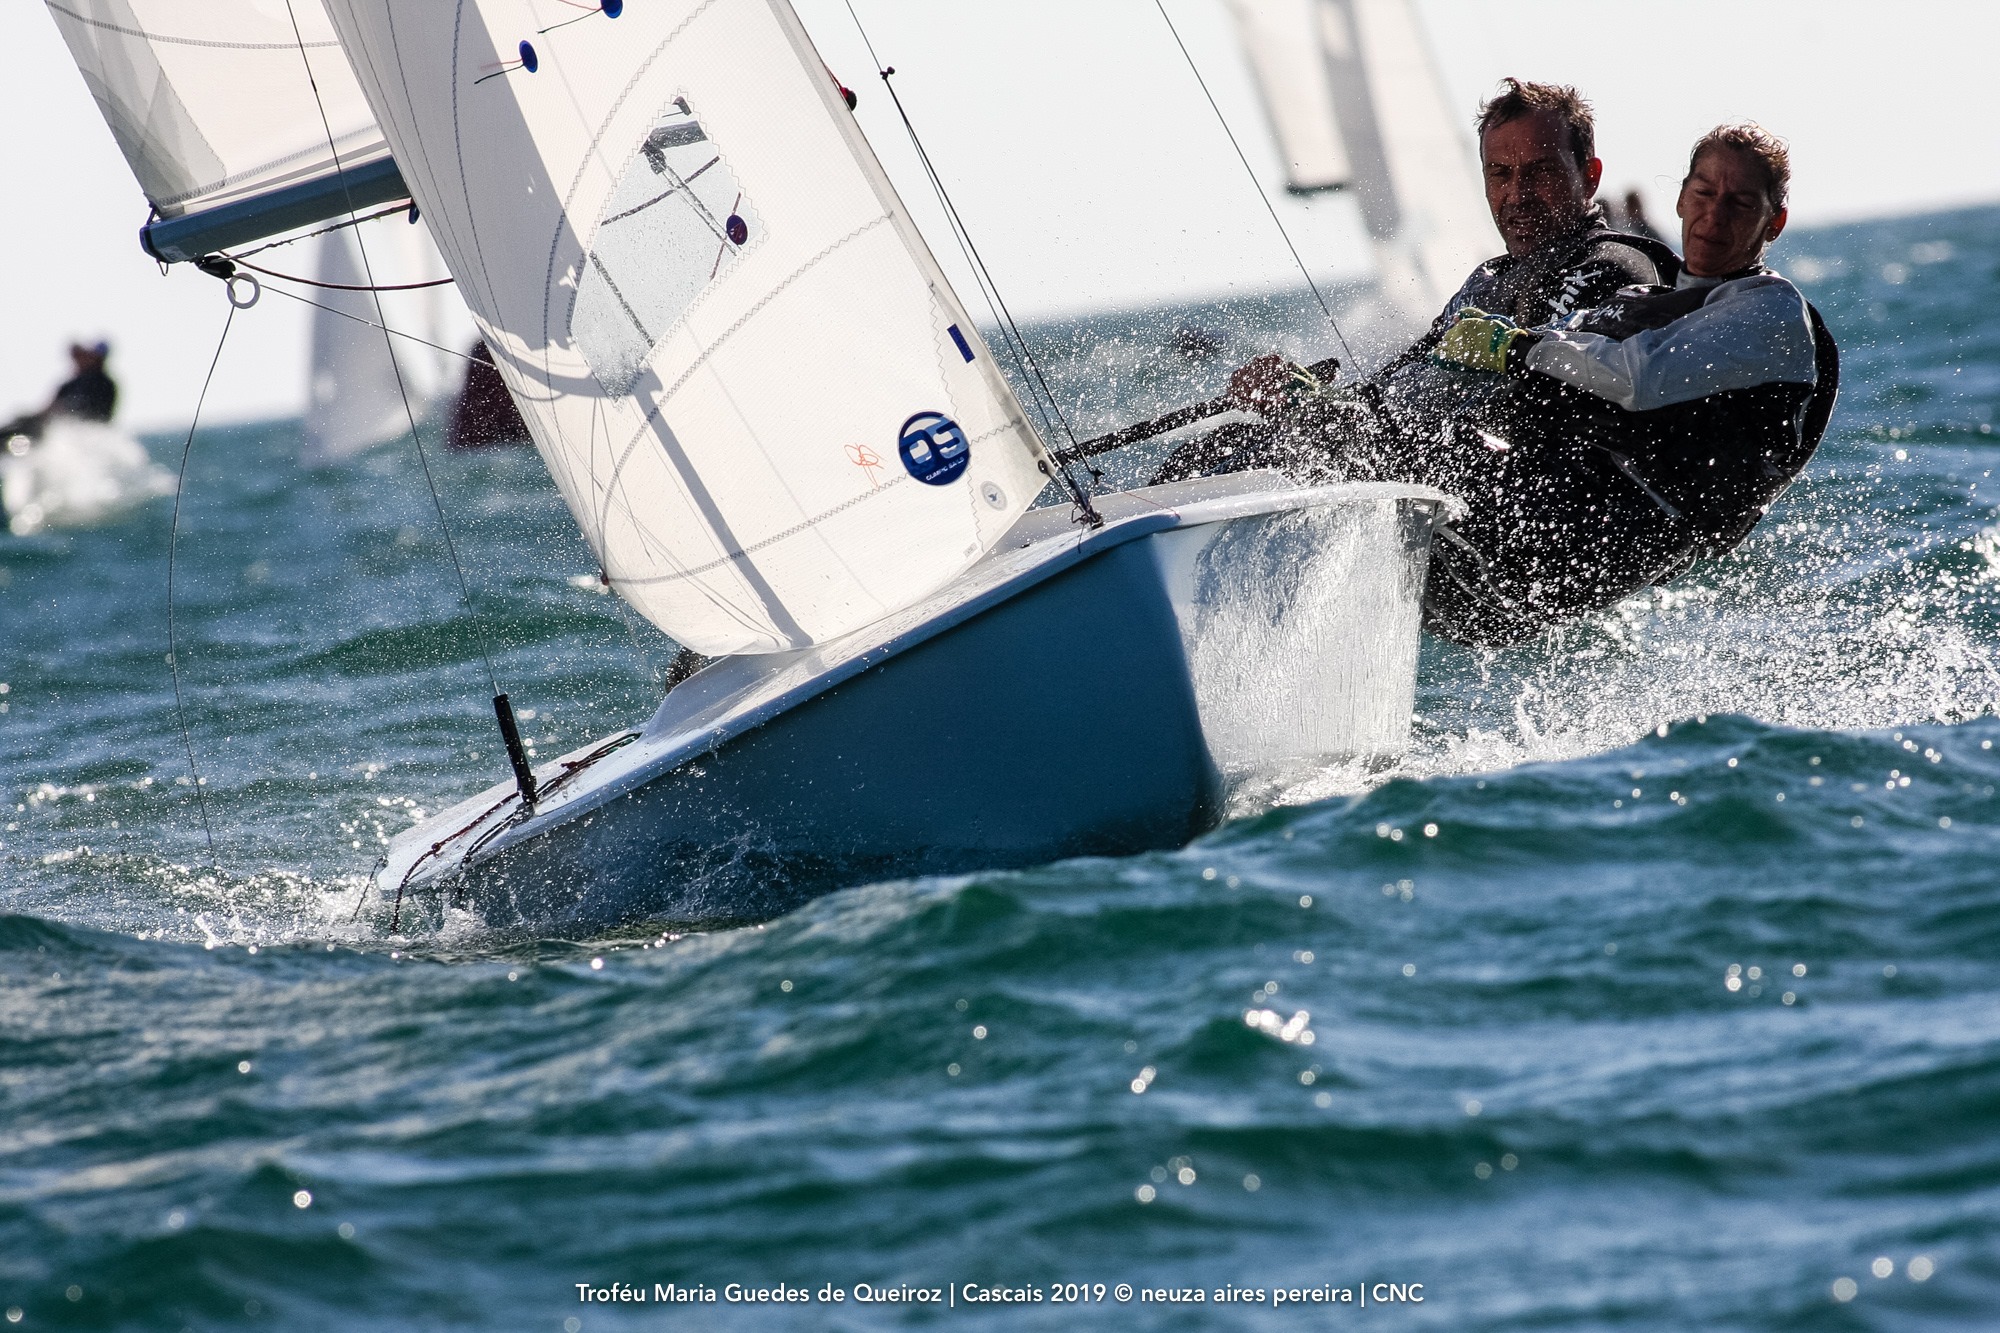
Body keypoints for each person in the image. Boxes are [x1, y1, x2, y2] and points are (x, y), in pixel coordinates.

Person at [1165, 123, 1838, 647]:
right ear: (1680, 196)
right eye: (1702, 194)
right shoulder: (1669, 298)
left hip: (1571, 543)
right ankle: (1155, 583)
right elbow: (1411, 390)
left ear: (1772, 222)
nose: (1713, 216)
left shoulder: (1769, 313)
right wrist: (1307, 399)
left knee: (1357, 448)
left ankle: (1150, 594)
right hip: (1515, 536)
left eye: (1739, 203)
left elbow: (1635, 377)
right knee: (1280, 440)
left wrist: (1512, 346)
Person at [1164, 77, 1676, 454]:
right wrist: (1303, 397)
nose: (1516, 194)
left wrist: (1332, 423)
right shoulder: (1489, 280)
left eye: (1539, 172)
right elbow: (1401, 389)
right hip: (1439, 474)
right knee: (1225, 444)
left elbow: (1526, 398)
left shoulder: (1612, 267)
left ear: (1589, 176)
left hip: (1514, 511)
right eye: (1499, 174)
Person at [2, 341, 118, 442]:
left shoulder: (101, 383)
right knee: (20, 422)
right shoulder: (70, 384)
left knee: (26, 426)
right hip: (53, 427)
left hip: (78, 432)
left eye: (86, 356)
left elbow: (86, 410)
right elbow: (49, 408)